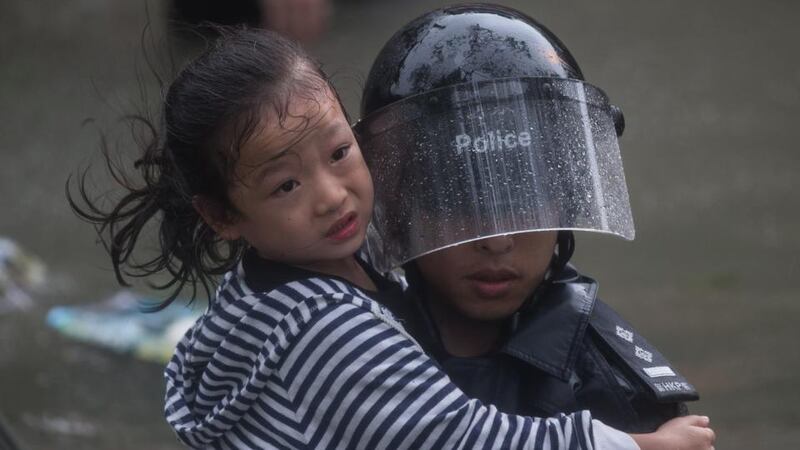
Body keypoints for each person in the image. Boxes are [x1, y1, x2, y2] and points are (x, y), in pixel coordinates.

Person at [68, 28, 714, 449]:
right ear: (223, 217)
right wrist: (637, 446)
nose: (333, 196)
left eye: (341, 154)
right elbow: (463, 441)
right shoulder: (325, 330)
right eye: (286, 186)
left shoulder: (317, 258)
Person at [356, 3, 706, 436]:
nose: (497, 240)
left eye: (524, 199)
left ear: (563, 202)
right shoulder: (343, 344)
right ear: (400, 205)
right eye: (460, 202)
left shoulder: (617, 392)